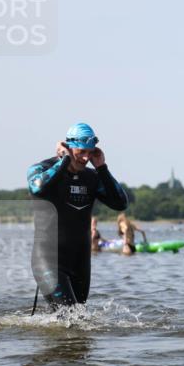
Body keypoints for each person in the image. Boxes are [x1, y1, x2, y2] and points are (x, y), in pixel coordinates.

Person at [27, 123, 129, 307]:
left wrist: (102, 168)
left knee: (79, 321)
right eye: (81, 152)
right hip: (49, 260)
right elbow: (37, 188)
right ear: (68, 147)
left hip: (80, 262)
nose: (85, 158)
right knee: (70, 318)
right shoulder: (40, 169)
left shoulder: (91, 177)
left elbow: (120, 203)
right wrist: (64, 161)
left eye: (90, 153)